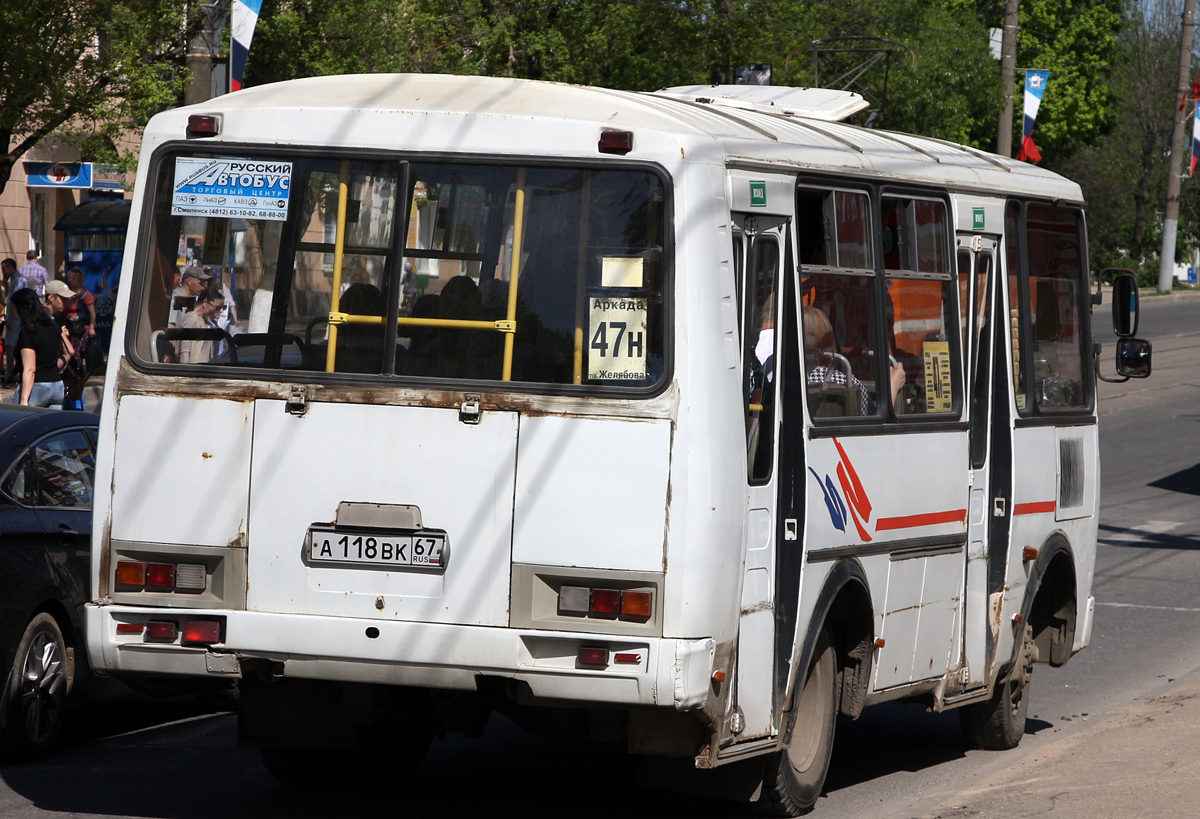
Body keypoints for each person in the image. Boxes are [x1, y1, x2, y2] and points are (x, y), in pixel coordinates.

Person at [803, 306, 904, 416]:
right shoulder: (848, 383)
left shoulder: (791, 383)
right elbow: (873, 425)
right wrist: (893, 386)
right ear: (830, 339)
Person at [10, 288, 71, 409]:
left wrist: (24, 400)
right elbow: (67, 353)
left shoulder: (28, 333)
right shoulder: (53, 325)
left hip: (36, 387)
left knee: (21, 425)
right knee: (52, 426)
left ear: (21, 309)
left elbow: (30, 369)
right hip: (57, 386)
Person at [178, 287, 225, 364]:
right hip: (193, 370)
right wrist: (185, 372)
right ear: (205, 302)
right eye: (217, 307)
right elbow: (184, 351)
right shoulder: (191, 319)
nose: (220, 311)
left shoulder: (207, 322)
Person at [65, 268, 97, 340]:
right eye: (70, 278)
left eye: (73, 278)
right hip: (69, 327)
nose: (70, 280)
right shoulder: (66, 293)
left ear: (79, 280)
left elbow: (92, 313)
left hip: (81, 328)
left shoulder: (86, 294)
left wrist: (91, 328)